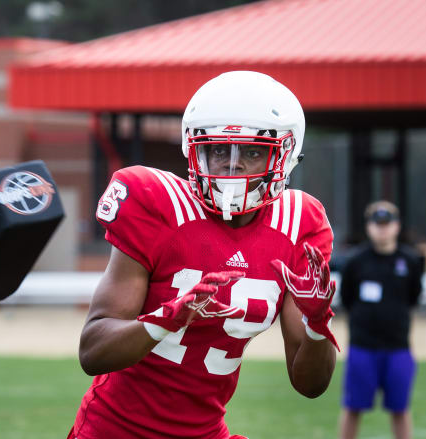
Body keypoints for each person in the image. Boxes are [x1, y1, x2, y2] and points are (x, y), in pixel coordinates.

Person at [67, 71, 339, 439]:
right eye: (218, 149)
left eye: (253, 152)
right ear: (194, 150)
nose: (232, 164)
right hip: (116, 430)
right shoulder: (158, 203)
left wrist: (317, 324)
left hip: (205, 430)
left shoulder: (299, 223)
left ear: (287, 157)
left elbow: (310, 385)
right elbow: (93, 351)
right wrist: (167, 319)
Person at [338, 201, 424, 439]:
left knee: (400, 408)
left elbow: (413, 297)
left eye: (387, 224)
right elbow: (347, 299)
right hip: (362, 348)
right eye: (377, 224)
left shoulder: (410, 261)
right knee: (352, 407)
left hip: (398, 348)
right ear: (368, 227)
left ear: (397, 226)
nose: (382, 229)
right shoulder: (355, 262)